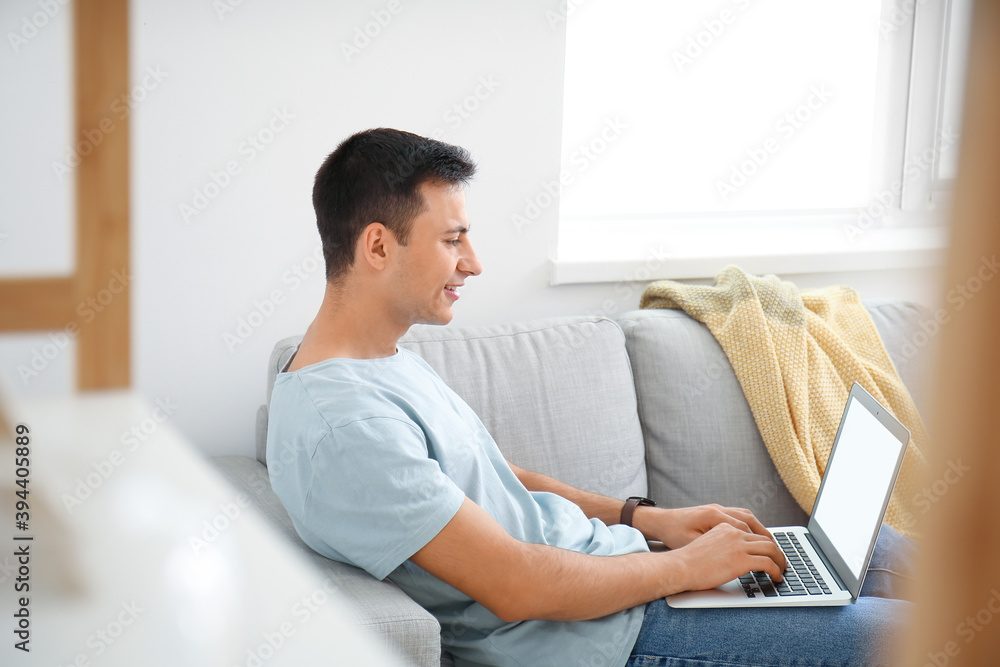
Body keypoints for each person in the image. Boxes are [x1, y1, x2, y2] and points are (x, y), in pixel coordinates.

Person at [267, 128, 914, 667]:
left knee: (889, 551)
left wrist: (647, 520)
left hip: (622, 582)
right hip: (607, 638)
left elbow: (497, 475)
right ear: (378, 245)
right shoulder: (347, 425)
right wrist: (686, 566)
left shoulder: (380, 361)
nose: (474, 262)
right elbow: (516, 585)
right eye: (452, 238)